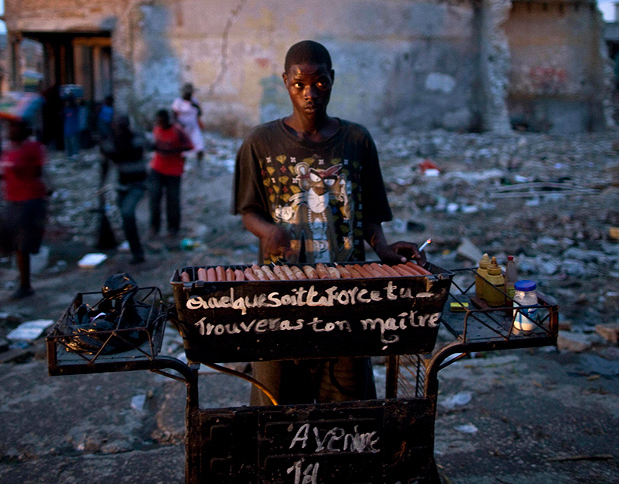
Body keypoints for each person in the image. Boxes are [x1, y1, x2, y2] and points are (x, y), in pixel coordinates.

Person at [232, 40, 424, 406]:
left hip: (347, 295)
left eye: (319, 83)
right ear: (285, 82)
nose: (309, 94)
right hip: (281, 295)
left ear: (332, 80)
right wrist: (269, 230)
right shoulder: (260, 141)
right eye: (299, 84)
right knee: (275, 406)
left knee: (348, 408)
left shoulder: (356, 140)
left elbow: (367, 213)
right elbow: (249, 210)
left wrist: (383, 248)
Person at [0, 118, 48, 299]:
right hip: (12, 199)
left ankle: (25, 284)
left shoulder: (33, 147)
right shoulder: (8, 148)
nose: (10, 130)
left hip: (30, 199)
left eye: (14, 126)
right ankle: (23, 281)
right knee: (10, 240)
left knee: (22, 244)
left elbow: (38, 172)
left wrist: (22, 170)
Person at [99, 114, 148, 265]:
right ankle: (135, 249)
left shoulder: (136, 139)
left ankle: (137, 252)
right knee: (125, 218)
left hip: (138, 184)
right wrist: (101, 186)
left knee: (127, 214)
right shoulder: (111, 143)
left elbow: (137, 151)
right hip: (122, 186)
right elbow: (105, 164)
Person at [147, 109, 194, 240]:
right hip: (157, 169)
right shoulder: (156, 129)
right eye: (158, 121)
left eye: (162, 121)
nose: (160, 123)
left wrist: (173, 150)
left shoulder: (177, 131)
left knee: (172, 201)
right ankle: (154, 227)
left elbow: (189, 145)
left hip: (173, 171)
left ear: (167, 120)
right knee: (154, 200)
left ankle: (173, 229)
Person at [172, 82, 205, 166]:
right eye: (187, 93)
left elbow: (200, 114)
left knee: (200, 146)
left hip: (194, 128)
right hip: (183, 129)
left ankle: (199, 164)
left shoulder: (194, 101)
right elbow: (173, 116)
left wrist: (196, 107)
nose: (189, 95)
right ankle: (182, 166)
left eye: (190, 93)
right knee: (184, 150)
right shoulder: (178, 102)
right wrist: (180, 125)